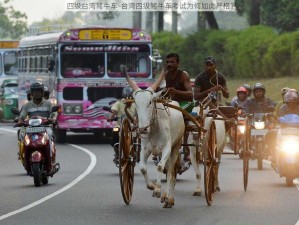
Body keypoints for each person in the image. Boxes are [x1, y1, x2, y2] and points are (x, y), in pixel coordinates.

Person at [17, 81, 57, 174]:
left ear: (42, 92)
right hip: (31, 128)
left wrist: (53, 118)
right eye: (34, 91)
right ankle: (25, 161)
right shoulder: (27, 105)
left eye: (38, 91)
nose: (36, 93)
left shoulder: (48, 103)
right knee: (24, 140)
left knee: (50, 138)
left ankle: (51, 159)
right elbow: (22, 116)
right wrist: (19, 121)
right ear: (31, 93)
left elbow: (54, 113)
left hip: (45, 127)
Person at [265, 89, 299, 165]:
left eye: (294, 102)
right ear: (286, 102)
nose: (292, 104)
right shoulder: (283, 108)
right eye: (289, 103)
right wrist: (275, 119)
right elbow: (278, 117)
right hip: (283, 128)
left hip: (298, 129)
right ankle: (273, 154)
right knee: (270, 134)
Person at [108, 86, 136, 163]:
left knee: (138, 135)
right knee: (114, 134)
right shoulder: (119, 102)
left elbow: (139, 113)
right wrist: (110, 118)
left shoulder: (135, 103)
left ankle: (136, 151)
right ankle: (117, 154)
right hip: (119, 125)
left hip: (132, 125)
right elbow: (114, 111)